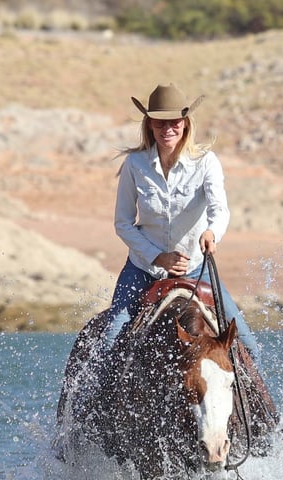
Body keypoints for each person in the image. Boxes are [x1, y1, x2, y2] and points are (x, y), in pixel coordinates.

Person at [102, 82, 261, 365]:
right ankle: (93, 406)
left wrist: (212, 232)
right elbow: (123, 223)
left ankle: (263, 410)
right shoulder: (134, 164)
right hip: (142, 269)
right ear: (149, 125)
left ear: (185, 124)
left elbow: (219, 209)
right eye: (160, 123)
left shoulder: (206, 162)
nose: (168, 129)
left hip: (196, 267)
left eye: (174, 122)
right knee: (110, 340)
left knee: (247, 344)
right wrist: (157, 257)